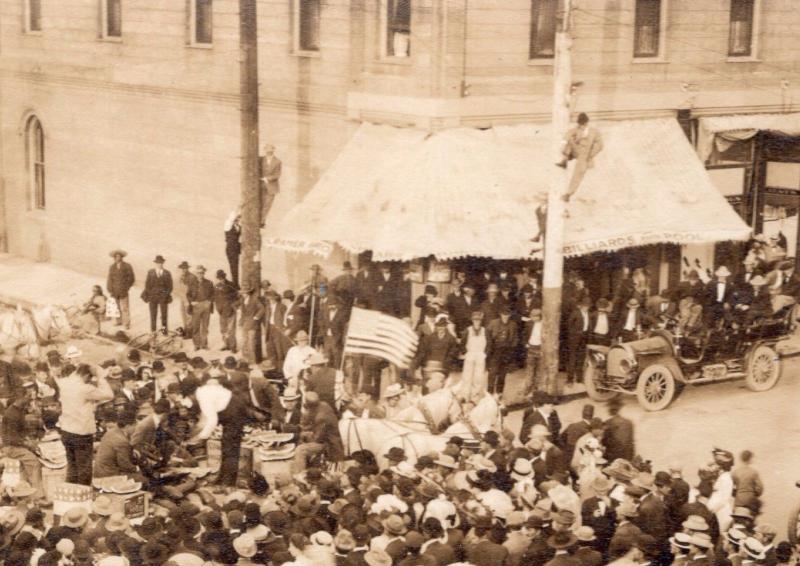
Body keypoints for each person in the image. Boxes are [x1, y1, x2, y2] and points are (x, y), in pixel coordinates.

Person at [58, 363, 114, 485]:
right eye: (90, 378)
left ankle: (70, 496)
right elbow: (109, 395)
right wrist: (100, 376)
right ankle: (84, 497)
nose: (90, 381)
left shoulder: (65, 384)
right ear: (86, 375)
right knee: (84, 469)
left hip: (66, 431)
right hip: (81, 433)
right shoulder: (85, 389)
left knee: (72, 468)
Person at [2, 386, 44, 499]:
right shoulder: (12, 414)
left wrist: (30, 442)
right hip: (10, 447)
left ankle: (26, 492)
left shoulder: (18, 411)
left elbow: (21, 433)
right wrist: (28, 444)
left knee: (33, 458)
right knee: (34, 462)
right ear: (20, 398)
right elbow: (12, 439)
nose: (29, 399)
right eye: (27, 397)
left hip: (15, 445)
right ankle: (37, 495)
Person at [292, 391, 343, 473]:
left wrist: (305, 435)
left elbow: (317, 439)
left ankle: (299, 475)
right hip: (327, 438)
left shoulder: (321, 417)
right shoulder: (323, 405)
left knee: (300, 450)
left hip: (329, 444)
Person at [557, 112, 603, 201]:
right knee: (570, 139)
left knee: (578, 174)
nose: (581, 126)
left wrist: (591, 154)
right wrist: (563, 144)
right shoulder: (577, 129)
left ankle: (568, 194)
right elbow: (567, 134)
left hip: (586, 155)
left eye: (583, 124)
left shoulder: (594, 132)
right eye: (580, 124)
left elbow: (600, 145)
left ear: (586, 122)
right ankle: (564, 161)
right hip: (577, 151)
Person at [94, 409, 140, 479]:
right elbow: (125, 465)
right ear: (128, 426)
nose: (136, 429)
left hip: (100, 472)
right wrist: (137, 468)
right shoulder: (122, 441)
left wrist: (131, 451)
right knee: (144, 479)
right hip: (110, 475)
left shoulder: (111, 432)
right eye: (135, 426)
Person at [486, 307, 518, 397]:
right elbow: (487, 335)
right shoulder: (493, 323)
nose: (505, 317)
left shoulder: (513, 324)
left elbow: (515, 338)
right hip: (495, 350)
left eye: (507, 315)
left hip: (506, 351)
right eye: (504, 315)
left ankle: (499, 393)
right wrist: (490, 348)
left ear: (510, 315)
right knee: (492, 372)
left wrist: (512, 348)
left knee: (502, 373)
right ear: (500, 315)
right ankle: (490, 392)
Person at [459, 311, 488, 402]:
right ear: (472, 320)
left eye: (478, 320)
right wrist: (466, 353)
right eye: (475, 320)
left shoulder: (484, 330)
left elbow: (489, 344)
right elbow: (462, 343)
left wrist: (485, 354)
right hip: (470, 355)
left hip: (480, 356)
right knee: (467, 377)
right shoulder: (468, 330)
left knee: (478, 377)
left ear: (481, 321)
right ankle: (465, 397)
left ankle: (475, 398)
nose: (477, 322)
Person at [141, 255, 173, 333]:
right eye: (158, 263)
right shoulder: (150, 272)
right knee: (153, 315)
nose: (160, 264)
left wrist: (165, 295)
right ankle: (153, 331)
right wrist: (150, 294)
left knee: (164, 315)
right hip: (153, 297)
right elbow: (147, 285)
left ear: (163, 263)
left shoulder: (167, 273)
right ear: (155, 263)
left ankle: (164, 331)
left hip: (163, 297)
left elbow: (170, 286)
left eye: (161, 263)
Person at [187, 265, 214, 351]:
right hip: (196, 306)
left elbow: (213, 294)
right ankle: (196, 345)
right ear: (196, 273)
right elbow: (188, 294)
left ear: (204, 273)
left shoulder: (209, 283)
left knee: (205, 327)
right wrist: (192, 302)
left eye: (202, 273)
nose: (200, 274)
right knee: (195, 326)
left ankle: (204, 344)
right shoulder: (192, 283)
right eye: (198, 273)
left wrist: (209, 302)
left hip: (206, 306)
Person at [106, 249, 135, 329]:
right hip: (114, 291)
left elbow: (131, 278)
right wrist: (109, 288)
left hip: (123, 291)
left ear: (122, 257)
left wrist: (126, 287)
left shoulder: (127, 266)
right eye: (116, 256)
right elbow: (109, 278)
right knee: (116, 307)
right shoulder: (112, 267)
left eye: (119, 256)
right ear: (114, 257)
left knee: (125, 308)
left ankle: (126, 324)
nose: (117, 258)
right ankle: (119, 321)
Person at [566, 297, 591, 385]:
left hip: (584, 338)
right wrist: (574, 335)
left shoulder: (588, 314)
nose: (586, 308)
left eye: (587, 306)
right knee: (572, 358)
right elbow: (569, 325)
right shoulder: (575, 313)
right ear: (581, 306)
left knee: (581, 358)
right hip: (574, 338)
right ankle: (570, 379)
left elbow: (588, 326)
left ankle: (579, 378)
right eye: (584, 306)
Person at [239, 283, 265, 364]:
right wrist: (241, 322)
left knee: (251, 343)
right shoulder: (242, 300)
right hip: (245, 324)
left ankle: (252, 361)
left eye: (244, 293)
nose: (243, 294)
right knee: (244, 342)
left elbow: (262, 309)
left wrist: (256, 317)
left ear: (248, 293)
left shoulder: (254, 299)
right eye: (242, 293)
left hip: (253, 325)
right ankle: (245, 360)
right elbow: (243, 313)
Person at [214, 269, 239, 353]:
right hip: (222, 311)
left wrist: (234, 306)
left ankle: (233, 347)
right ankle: (226, 344)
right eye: (219, 278)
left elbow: (238, 295)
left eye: (222, 277)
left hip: (231, 310)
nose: (221, 279)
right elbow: (216, 299)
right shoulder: (217, 286)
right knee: (223, 329)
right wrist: (218, 309)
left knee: (231, 330)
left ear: (225, 277)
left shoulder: (232, 285)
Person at [603, 397, 635, 463]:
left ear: (610, 410)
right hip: (626, 457)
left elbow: (605, 442)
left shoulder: (608, 423)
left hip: (613, 459)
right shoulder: (629, 423)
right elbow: (631, 443)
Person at [260, 143, 282, 226]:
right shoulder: (260, 160)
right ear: (264, 150)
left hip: (272, 187)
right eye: (267, 150)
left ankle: (262, 221)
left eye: (270, 150)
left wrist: (267, 179)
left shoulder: (278, 162)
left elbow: (277, 175)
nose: (268, 152)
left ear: (273, 150)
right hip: (260, 185)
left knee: (267, 205)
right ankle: (259, 220)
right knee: (259, 203)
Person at [174, 261, 197, 338]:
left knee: (189, 316)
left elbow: (195, 290)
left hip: (188, 299)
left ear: (187, 268)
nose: (183, 270)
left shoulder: (192, 277)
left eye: (185, 268)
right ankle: (186, 330)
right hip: (182, 299)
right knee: (183, 314)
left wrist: (191, 300)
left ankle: (190, 333)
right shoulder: (181, 277)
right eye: (182, 268)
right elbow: (179, 288)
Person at [224, 210, 242, 287]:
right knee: (233, 266)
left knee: (236, 266)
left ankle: (236, 283)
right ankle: (235, 284)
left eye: (239, 218)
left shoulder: (239, 227)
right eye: (237, 218)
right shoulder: (228, 226)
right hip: (231, 248)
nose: (238, 219)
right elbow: (230, 219)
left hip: (236, 248)